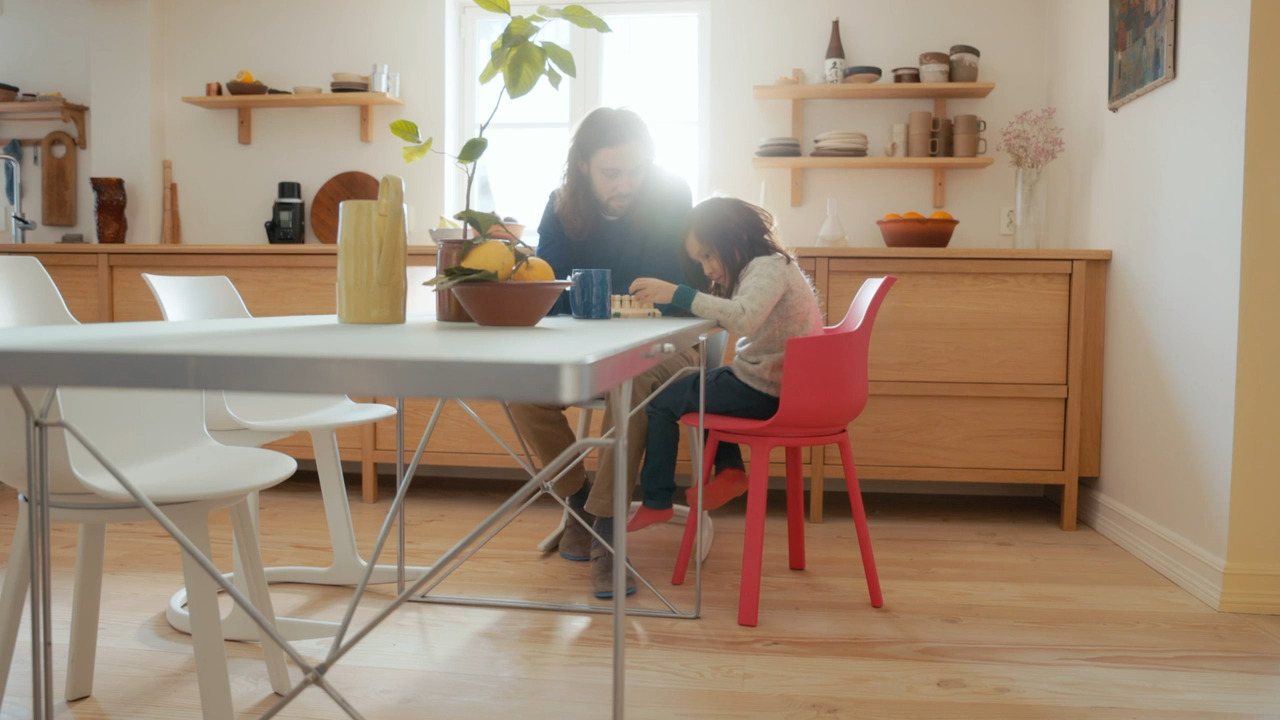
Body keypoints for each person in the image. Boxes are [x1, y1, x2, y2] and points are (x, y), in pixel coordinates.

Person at [508, 107, 700, 598]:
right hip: (586, 348)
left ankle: (608, 532)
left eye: (636, 170)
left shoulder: (672, 196)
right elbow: (552, 286)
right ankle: (579, 504)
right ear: (583, 168)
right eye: (612, 173)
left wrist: (598, 295)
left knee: (630, 383)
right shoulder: (562, 204)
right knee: (519, 387)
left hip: (669, 345)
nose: (626, 183)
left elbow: (675, 284)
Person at [626, 197, 824, 532]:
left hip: (767, 388)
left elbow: (744, 318)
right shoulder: (768, 267)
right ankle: (730, 470)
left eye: (707, 254)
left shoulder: (767, 268)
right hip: (778, 384)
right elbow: (745, 312)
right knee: (702, 386)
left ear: (735, 236)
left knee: (663, 402)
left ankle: (656, 500)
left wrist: (677, 293)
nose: (706, 268)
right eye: (699, 261)